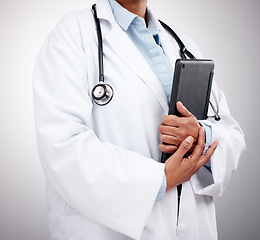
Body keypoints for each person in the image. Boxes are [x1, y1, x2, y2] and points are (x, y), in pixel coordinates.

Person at [33, 0, 245, 239]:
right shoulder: (73, 34)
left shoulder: (181, 43)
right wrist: (160, 179)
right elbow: (62, 147)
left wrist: (201, 136)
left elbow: (231, 134)